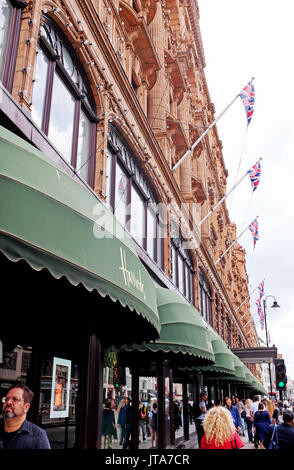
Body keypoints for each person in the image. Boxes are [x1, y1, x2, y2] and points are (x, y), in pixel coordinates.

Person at [0, 383, 50, 449]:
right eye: (6, 399)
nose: (8, 402)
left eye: (15, 399)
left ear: (26, 407)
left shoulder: (38, 436)